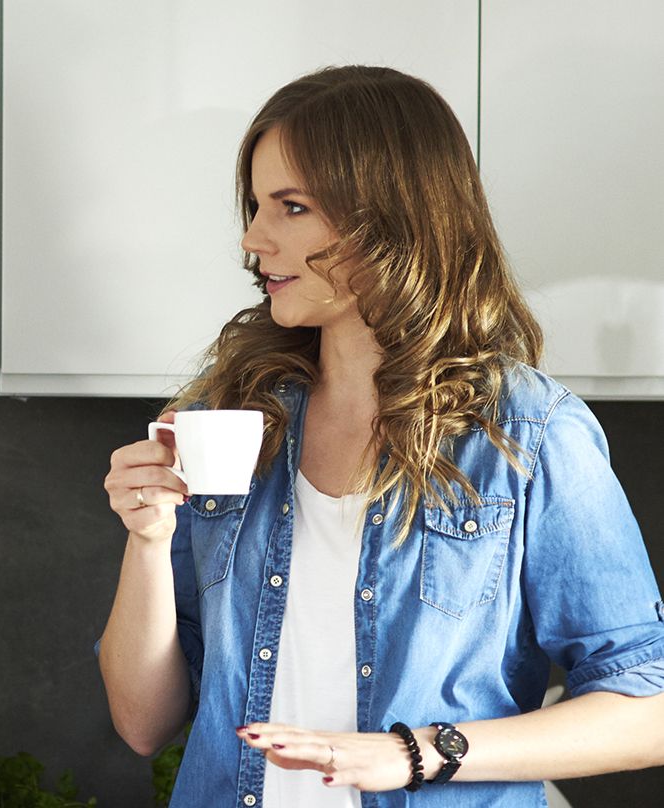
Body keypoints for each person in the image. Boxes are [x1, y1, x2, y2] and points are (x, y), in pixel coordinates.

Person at [98, 65, 664, 807]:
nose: (253, 237)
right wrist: (145, 542)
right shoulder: (231, 413)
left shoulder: (526, 433)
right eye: (258, 205)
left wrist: (419, 754)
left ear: (392, 220)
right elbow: (143, 723)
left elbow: (647, 708)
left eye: (291, 207)